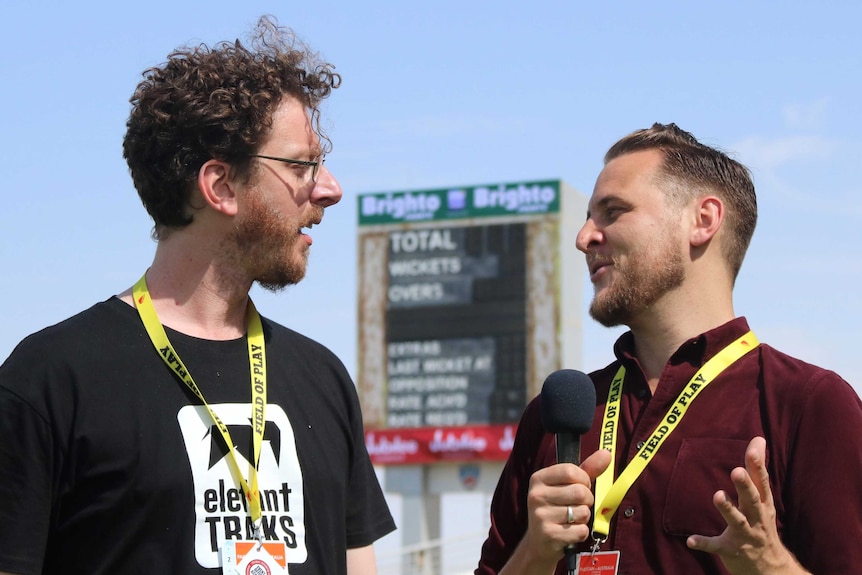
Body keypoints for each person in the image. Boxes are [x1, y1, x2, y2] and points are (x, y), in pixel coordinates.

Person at [0, 16, 395, 575]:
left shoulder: (324, 377)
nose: (329, 188)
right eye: (302, 164)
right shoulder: (49, 381)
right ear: (220, 186)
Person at [475, 123, 862, 575]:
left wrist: (771, 565)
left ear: (702, 220)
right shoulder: (556, 415)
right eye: (587, 218)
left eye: (612, 211)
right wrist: (535, 551)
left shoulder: (810, 404)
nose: (583, 238)